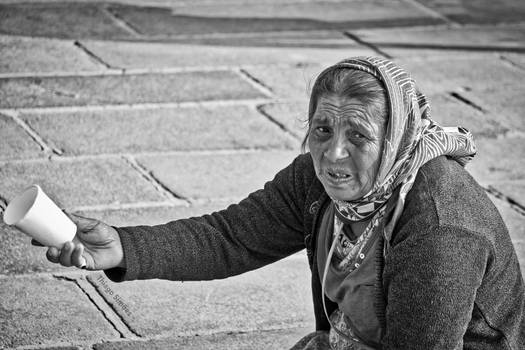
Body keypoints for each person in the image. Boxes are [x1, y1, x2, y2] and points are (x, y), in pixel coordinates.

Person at [35, 57, 525, 349]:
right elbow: (231, 237)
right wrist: (121, 246)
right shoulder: (318, 180)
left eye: (359, 135)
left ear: (395, 138)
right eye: (322, 130)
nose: (333, 154)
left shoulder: (438, 227)